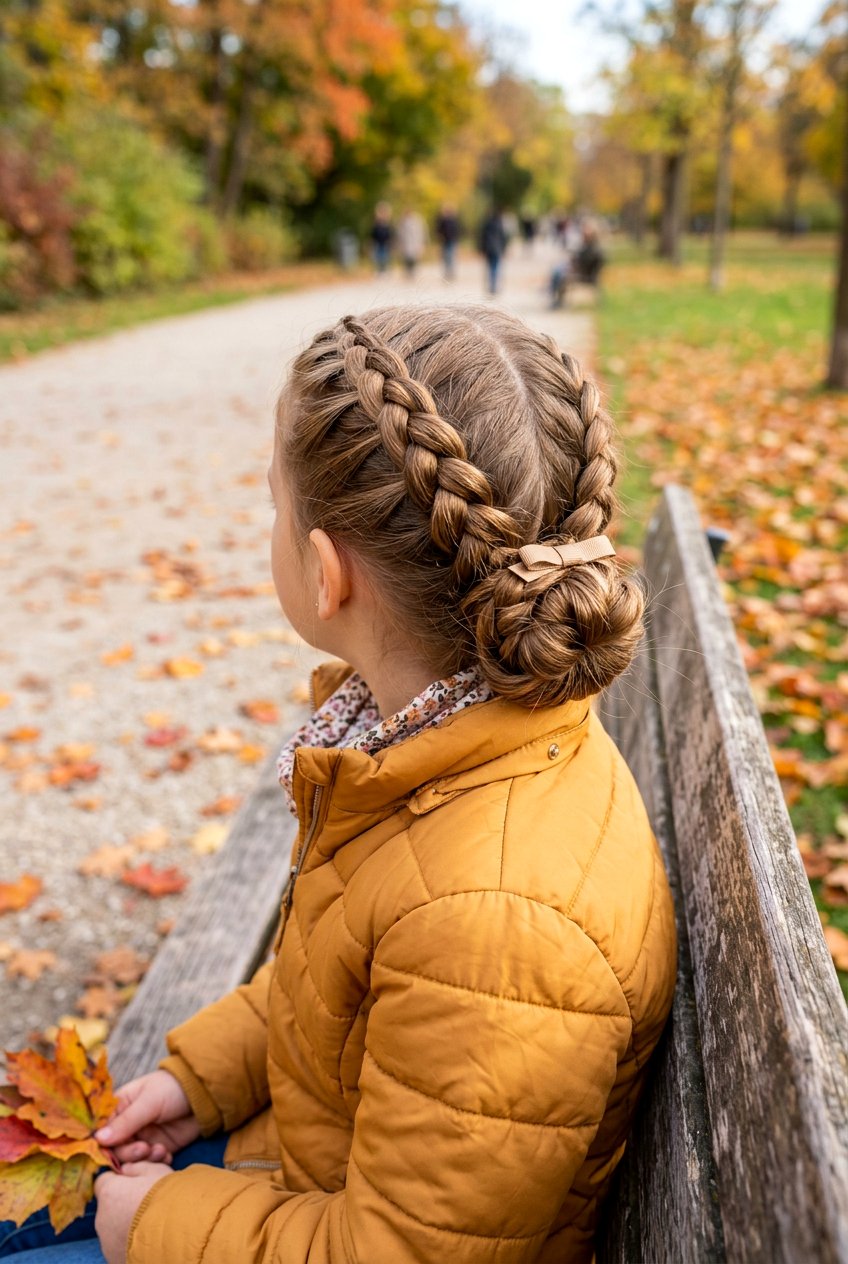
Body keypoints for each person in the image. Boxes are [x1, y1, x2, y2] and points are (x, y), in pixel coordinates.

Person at [4, 305, 677, 1264]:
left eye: (274, 504)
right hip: (300, 1166)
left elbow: (401, 1252)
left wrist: (151, 1226)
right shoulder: (435, 746)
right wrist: (199, 1081)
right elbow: (336, 988)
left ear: (326, 575)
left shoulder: (492, 922)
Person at [478, 208, 507, 295]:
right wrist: (503, 249)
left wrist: (482, 248)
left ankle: (491, 286)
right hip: (497, 249)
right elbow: (503, 238)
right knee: (495, 267)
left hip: (489, 249)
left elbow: (483, 237)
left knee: (490, 267)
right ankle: (493, 286)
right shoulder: (500, 225)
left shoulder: (487, 224)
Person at [395, 207, 427, 279]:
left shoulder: (417, 221)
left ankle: (412, 272)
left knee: (413, 258)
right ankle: (408, 272)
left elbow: (421, 232)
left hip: (414, 243)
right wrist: (399, 243)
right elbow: (399, 233)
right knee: (406, 259)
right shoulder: (401, 222)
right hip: (405, 243)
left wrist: (421, 243)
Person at [434, 203, 461, 281]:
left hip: (451, 241)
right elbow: (438, 230)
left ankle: (450, 273)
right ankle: (448, 273)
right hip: (445, 241)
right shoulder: (443, 221)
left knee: (451, 258)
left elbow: (458, 231)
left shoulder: (453, 221)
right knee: (447, 258)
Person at [369, 202, 393, 272]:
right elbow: (372, 234)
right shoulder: (376, 224)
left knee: (385, 258)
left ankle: (384, 270)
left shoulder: (388, 224)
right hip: (377, 244)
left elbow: (390, 235)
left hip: (386, 244)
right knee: (378, 258)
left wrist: (391, 243)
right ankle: (380, 270)